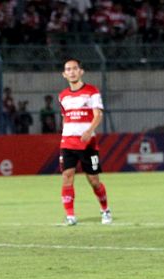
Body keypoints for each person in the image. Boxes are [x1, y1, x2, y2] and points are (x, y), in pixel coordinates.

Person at [58, 58, 111, 226]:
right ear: (64, 74)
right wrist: (63, 136)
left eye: (75, 68)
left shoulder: (92, 91)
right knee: (67, 177)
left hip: (87, 143)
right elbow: (64, 118)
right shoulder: (62, 96)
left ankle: (105, 209)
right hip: (67, 143)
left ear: (81, 71)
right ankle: (70, 215)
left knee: (94, 180)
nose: (72, 71)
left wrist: (89, 131)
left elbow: (98, 115)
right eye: (68, 69)